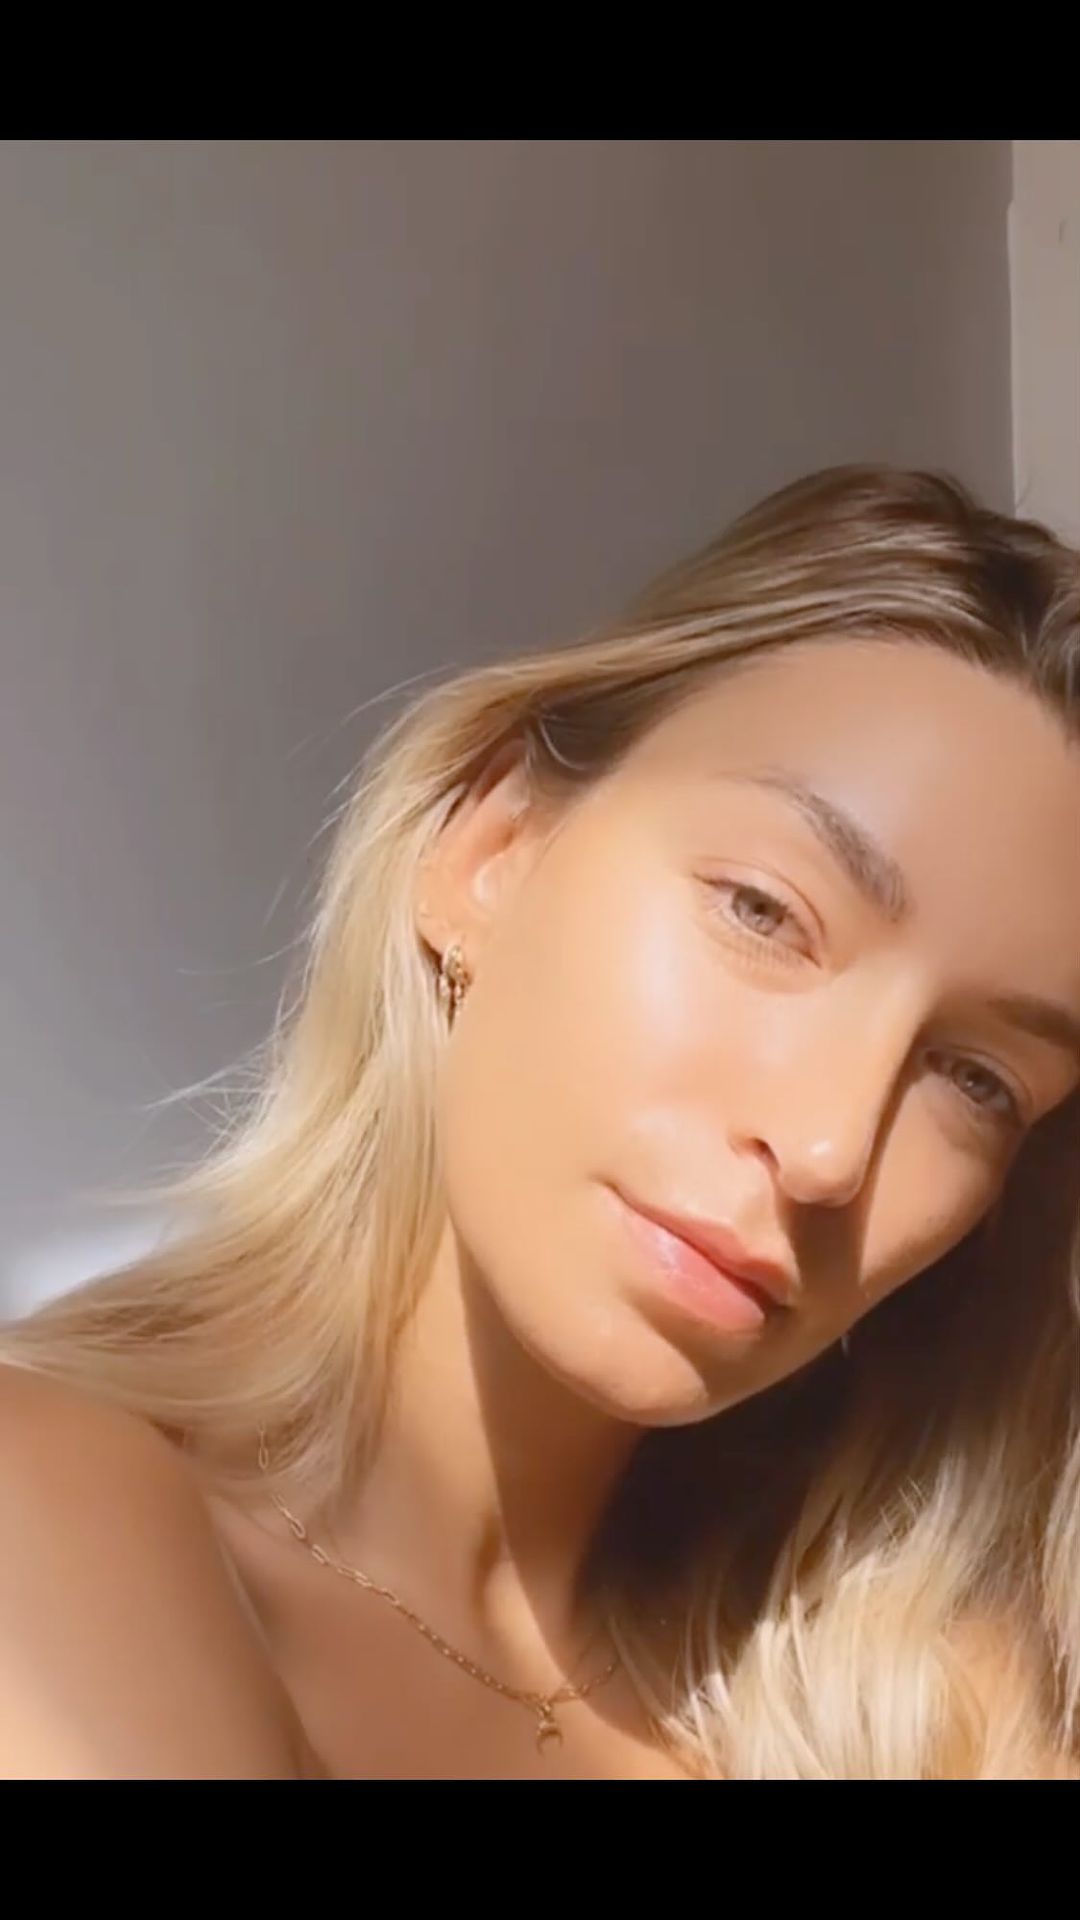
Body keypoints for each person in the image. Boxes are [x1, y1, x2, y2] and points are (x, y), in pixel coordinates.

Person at [2, 465, 1079, 1781]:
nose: (827, 1150)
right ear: (491, 850)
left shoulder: (913, 1702)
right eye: (763, 912)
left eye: (975, 1079)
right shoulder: (49, 1503)